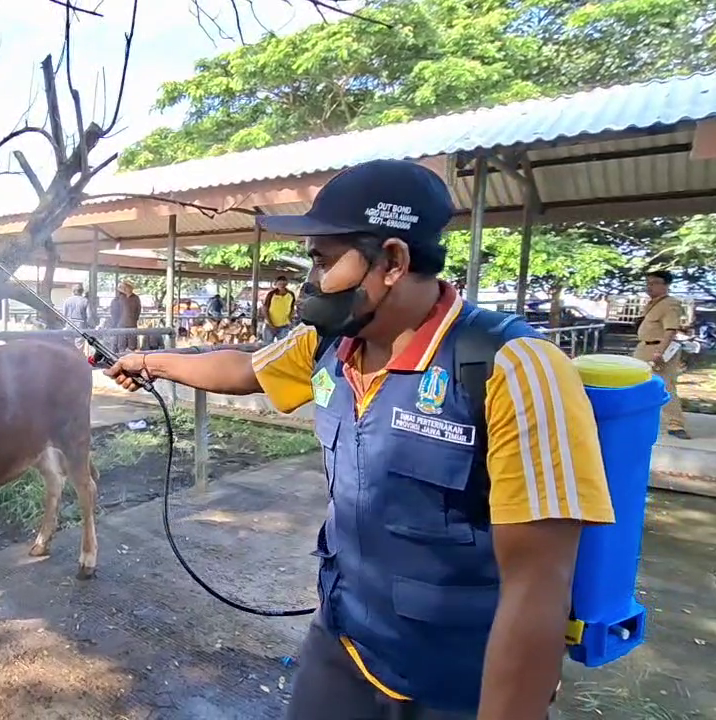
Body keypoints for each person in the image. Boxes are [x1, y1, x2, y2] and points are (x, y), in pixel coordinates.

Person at [105, 159, 613, 720]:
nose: (311, 282)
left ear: (392, 261)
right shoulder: (332, 345)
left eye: (324, 261)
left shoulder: (513, 368)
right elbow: (246, 369)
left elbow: (538, 585)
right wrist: (152, 361)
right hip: (344, 642)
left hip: (457, 680)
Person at [635, 270, 689, 439]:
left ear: (665, 285)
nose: (649, 287)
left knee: (664, 386)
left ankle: (675, 424)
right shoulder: (653, 304)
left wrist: (660, 352)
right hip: (644, 347)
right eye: (648, 283)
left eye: (654, 283)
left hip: (659, 348)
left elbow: (670, 330)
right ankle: (638, 417)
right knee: (636, 383)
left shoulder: (669, 304)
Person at [262, 275, 296, 343]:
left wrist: (290, 320)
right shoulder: (271, 294)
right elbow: (265, 309)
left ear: (286, 284)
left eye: (284, 284)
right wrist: (271, 324)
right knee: (267, 346)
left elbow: (292, 308)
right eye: (280, 284)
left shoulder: (291, 294)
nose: (282, 286)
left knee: (282, 346)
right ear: (276, 284)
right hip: (270, 325)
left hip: (284, 326)